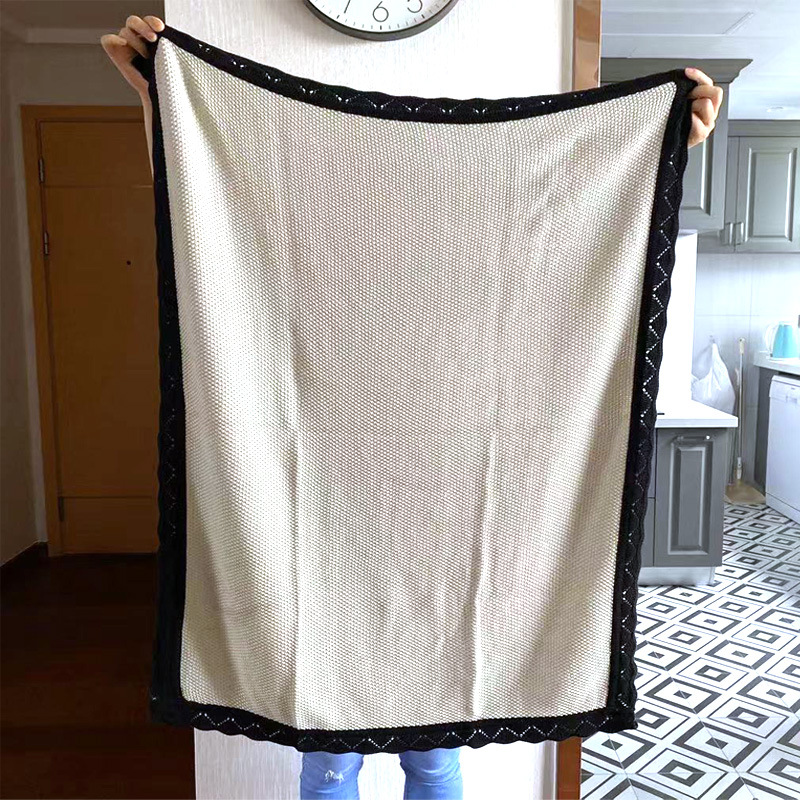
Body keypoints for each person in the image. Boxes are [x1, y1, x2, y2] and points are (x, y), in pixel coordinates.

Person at [101, 14, 723, 800]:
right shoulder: (302, 218)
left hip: (449, 535)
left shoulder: (492, 249)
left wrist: (667, 139)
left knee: (431, 756)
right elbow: (209, 193)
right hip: (325, 533)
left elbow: (587, 201)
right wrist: (160, 92)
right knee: (331, 755)